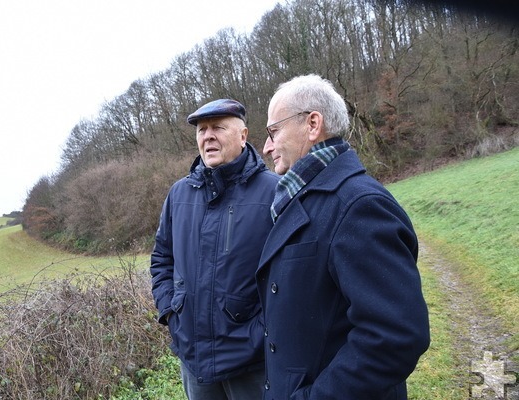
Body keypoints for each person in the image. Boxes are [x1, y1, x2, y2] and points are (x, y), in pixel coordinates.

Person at [257, 74, 430, 399]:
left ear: (312, 124)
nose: (266, 147)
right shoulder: (303, 200)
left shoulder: (359, 206)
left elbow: (396, 335)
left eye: (273, 131)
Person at [151, 99, 280, 400]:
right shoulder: (179, 194)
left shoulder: (273, 191)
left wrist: (262, 331)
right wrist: (171, 311)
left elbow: (289, 274)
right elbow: (162, 258)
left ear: (243, 135)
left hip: (251, 360)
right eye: (202, 130)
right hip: (193, 356)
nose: (207, 136)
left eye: (218, 128)